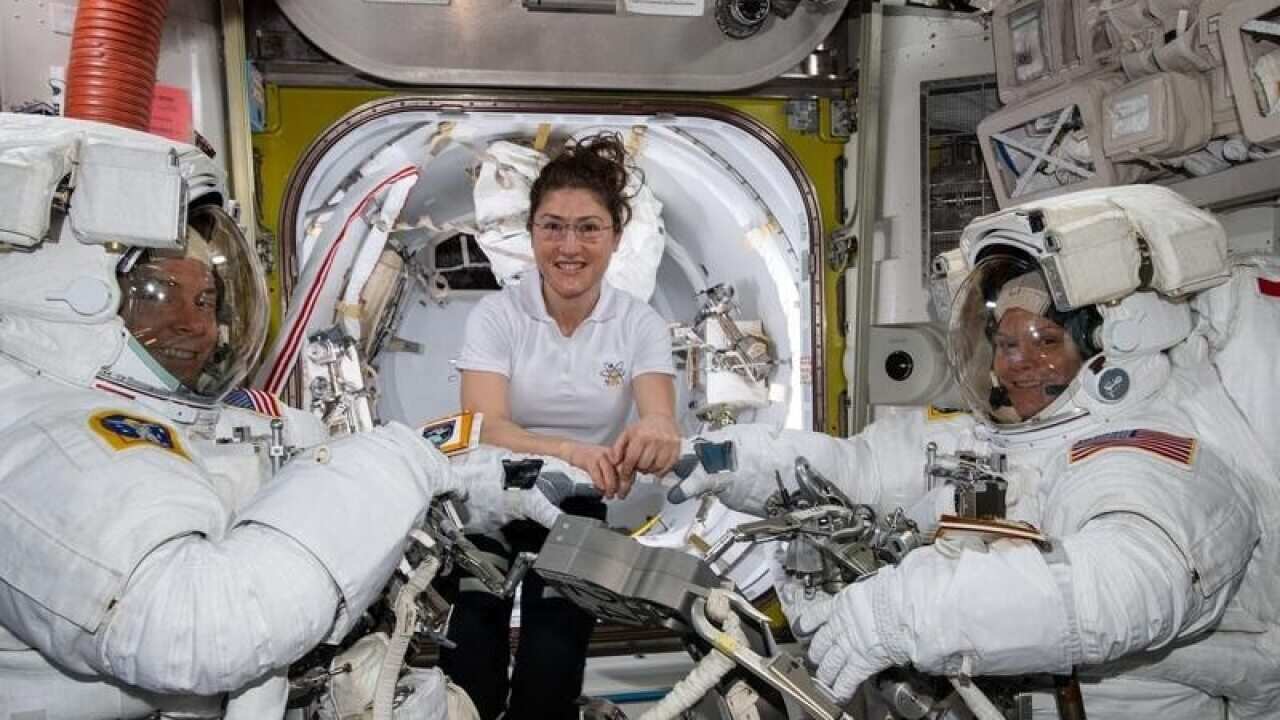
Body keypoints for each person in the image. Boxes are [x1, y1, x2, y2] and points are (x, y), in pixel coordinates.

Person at [0, 114, 558, 718]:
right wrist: (402, 461)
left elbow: (319, 485)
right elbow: (197, 629)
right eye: (157, 294)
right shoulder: (36, 437)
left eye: (207, 298)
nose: (197, 325)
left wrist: (478, 483)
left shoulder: (216, 423)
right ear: (69, 296)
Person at [669, 185, 1280, 718]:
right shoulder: (990, 438)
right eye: (1004, 341)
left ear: (1113, 345)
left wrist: (902, 614)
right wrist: (738, 462)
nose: (1015, 363)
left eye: (1044, 340)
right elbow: (863, 468)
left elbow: (1121, 590)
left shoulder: (1154, 452)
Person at [441, 132, 681, 720]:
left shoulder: (638, 323)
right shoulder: (498, 315)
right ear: (531, 235)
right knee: (472, 648)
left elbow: (659, 416)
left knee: (553, 657)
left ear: (615, 238)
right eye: (552, 226)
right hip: (492, 498)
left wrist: (654, 436)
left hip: (574, 505)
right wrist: (573, 449)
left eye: (588, 228)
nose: (569, 245)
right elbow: (485, 425)